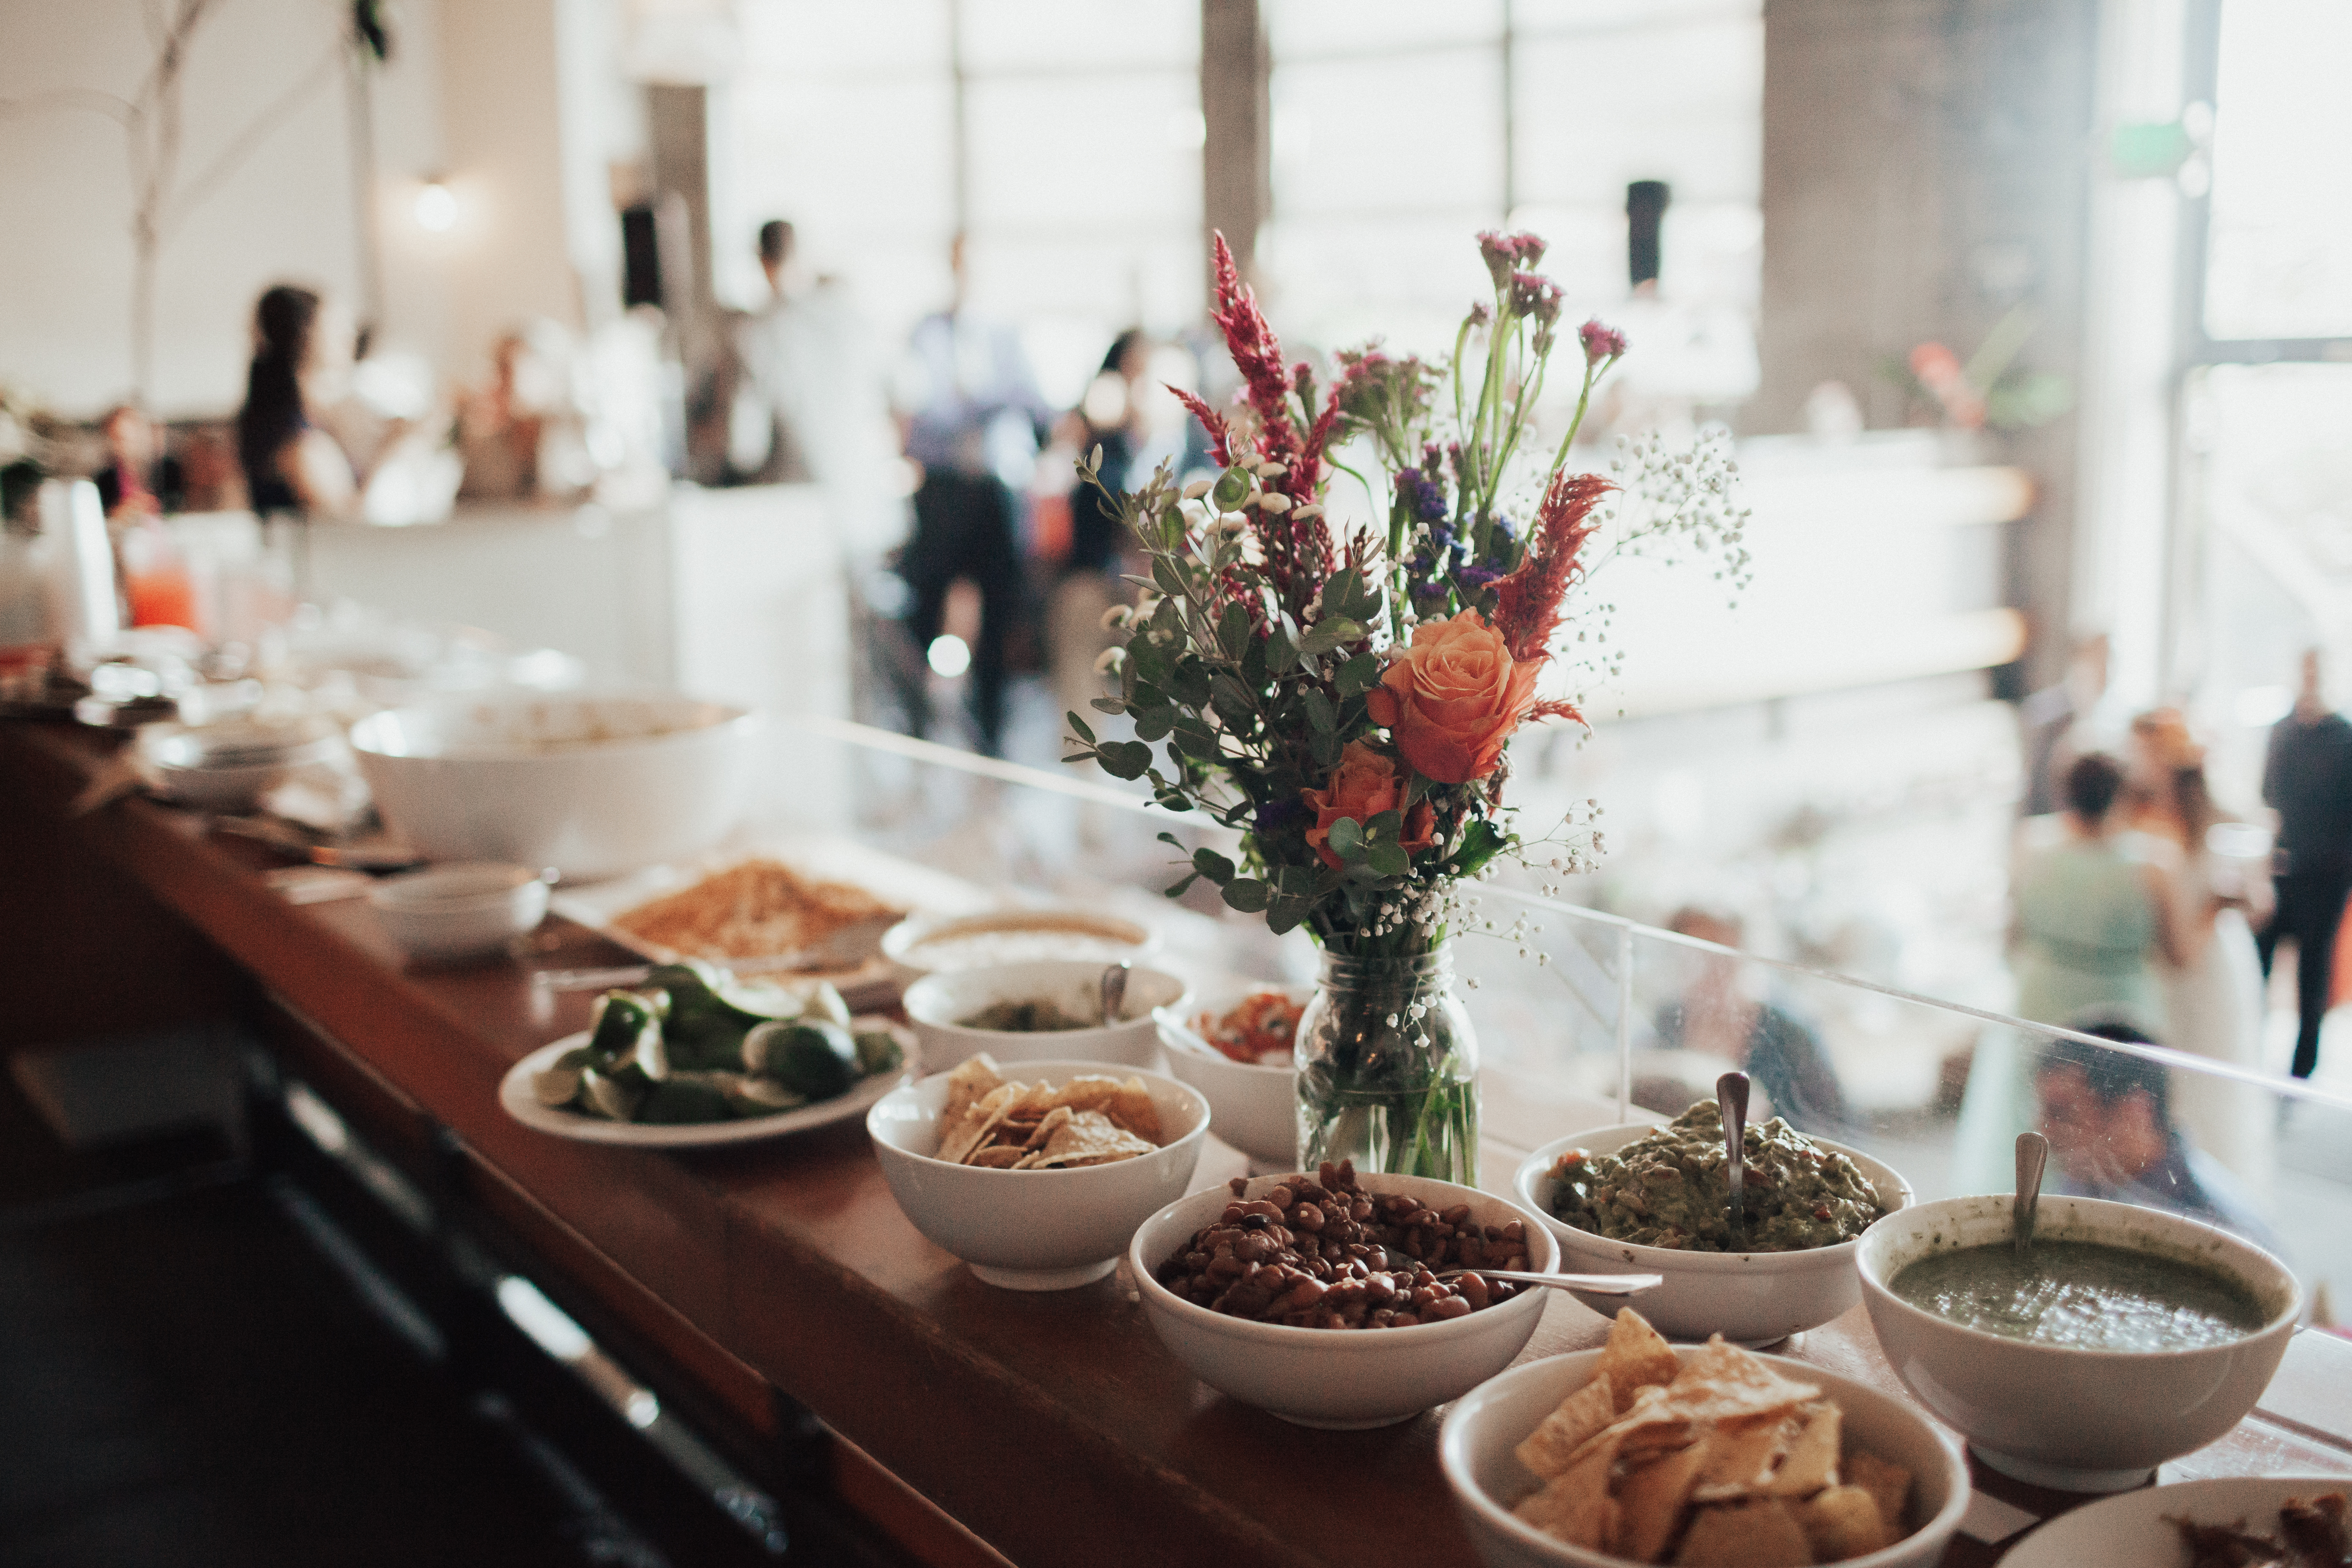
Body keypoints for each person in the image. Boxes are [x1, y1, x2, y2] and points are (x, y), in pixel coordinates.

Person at [1954, 752, 2186, 1193]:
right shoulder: (2153, 863)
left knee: (2031, 1114)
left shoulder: (2030, 845)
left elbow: (2012, 935)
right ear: (2119, 796)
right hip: (2121, 1004)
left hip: (2042, 995)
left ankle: (2018, 1201)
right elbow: (2178, 955)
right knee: (2113, 1113)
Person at [892, 233, 1051, 756]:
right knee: (921, 605)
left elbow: (1033, 406)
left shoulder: (1006, 336)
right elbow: (916, 414)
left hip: (996, 488)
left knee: (1002, 611)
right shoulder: (926, 334)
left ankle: (993, 737)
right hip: (943, 488)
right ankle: (921, 731)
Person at [2124, 710, 2273, 1190]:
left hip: (2213, 966)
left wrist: (2235, 900)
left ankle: (2214, 1187)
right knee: (2168, 1083)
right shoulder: (2132, 813)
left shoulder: (2221, 816)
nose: (2135, 763)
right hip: (2163, 968)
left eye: (2143, 752)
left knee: (2214, 1082)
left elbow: (2260, 900)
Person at [2034, 1019, 2284, 1256]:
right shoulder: (2084, 1179)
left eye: (2061, 1114)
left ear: (2135, 1112)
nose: (2043, 1130)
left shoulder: (2228, 1231)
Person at [1651, 908, 1851, 1133]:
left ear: (1745, 954)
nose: (1705, 970)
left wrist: (1766, 1123)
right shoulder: (1669, 1017)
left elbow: (1841, 1132)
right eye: (1690, 957)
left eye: (1717, 955)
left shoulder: (1790, 1034)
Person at [2258, 648, 2352, 1079]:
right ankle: (2252, 1050)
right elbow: (2268, 794)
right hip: (2282, 868)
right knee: (2259, 960)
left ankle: (2302, 1069)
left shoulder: (2344, 737)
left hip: (2326, 875)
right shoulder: (2281, 731)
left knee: (2313, 971)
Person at [235, 284, 357, 519]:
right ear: (306, 337)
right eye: (337, 330)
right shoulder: (297, 444)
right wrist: (396, 451)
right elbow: (347, 526)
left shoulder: (304, 422)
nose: (350, 337)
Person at [2017, 633, 2109, 819]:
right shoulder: (2046, 714)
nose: (2106, 670)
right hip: (2051, 822)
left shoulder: (2101, 715)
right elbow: (2035, 783)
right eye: (2100, 660)